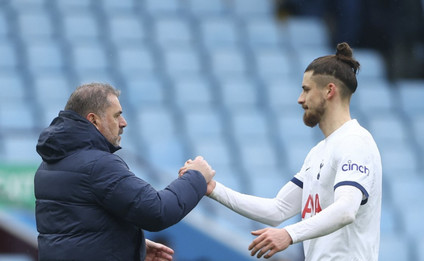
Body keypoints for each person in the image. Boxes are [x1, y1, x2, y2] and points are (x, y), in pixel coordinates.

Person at [181, 42, 382, 260]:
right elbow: (278, 210)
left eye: (306, 89)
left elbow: (346, 209)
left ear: (329, 90)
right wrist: (213, 189)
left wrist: (289, 234)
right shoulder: (318, 152)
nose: (300, 99)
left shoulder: (355, 141)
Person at [34, 83, 215, 261]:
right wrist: (196, 176)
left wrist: (132, 246)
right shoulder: (98, 165)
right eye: (117, 115)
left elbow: (73, 232)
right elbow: (157, 212)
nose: (124, 123)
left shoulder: (48, 166)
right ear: (94, 120)